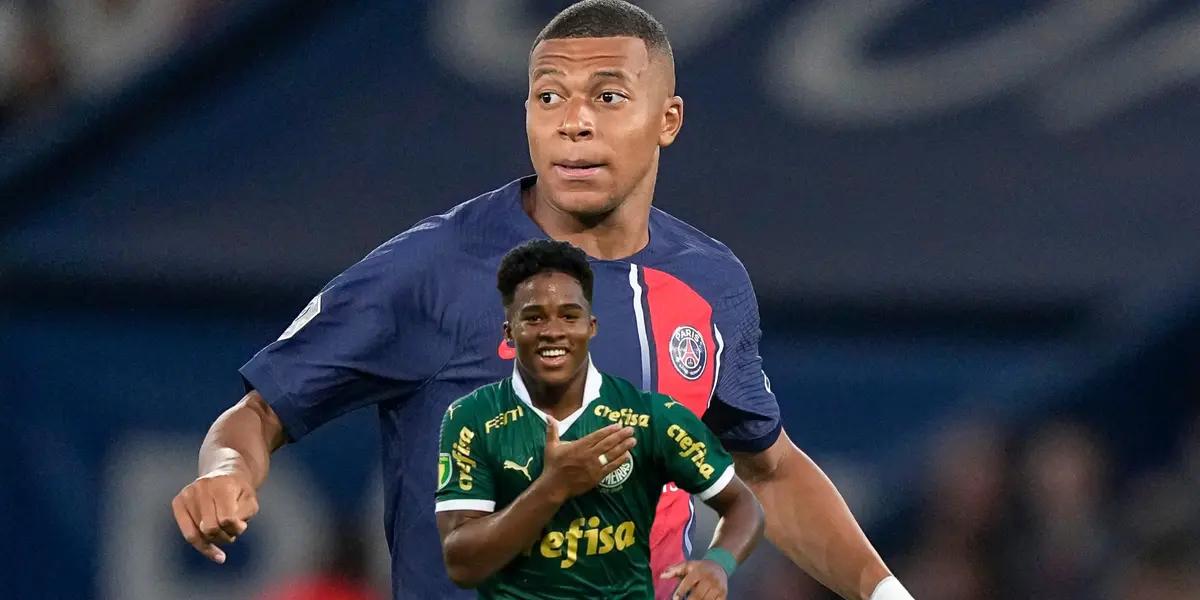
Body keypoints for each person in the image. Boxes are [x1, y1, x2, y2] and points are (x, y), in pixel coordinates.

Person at [170, 1, 913, 599]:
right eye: (549, 95)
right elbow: (260, 413)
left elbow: (768, 469)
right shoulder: (431, 269)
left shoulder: (710, 284)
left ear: (668, 120)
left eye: (608, 96)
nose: (573, 120)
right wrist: (224, 472)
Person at [435, 239, 763, 599]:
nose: (553, 331)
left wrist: (718, 563)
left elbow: (744, 505)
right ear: (509, 332)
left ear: (591, 326)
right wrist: (553, 486)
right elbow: (462, 565)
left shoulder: (649, 417)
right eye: (534, 318)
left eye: (569, 316)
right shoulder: (472, 419)